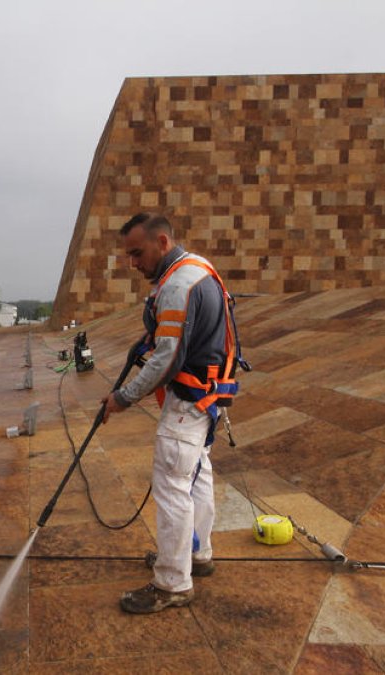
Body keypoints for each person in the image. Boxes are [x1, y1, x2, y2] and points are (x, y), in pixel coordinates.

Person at [102, 212, 232, 614]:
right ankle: (197, 555)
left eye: (137, 253)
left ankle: (172, 583)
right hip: (207, 399)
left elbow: (167, 359)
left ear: (162, 242)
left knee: (173, 485)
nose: (133, 263)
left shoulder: (177, 285)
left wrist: (122, 397)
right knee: (197, 477)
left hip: (187, 402)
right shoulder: (199, 269)